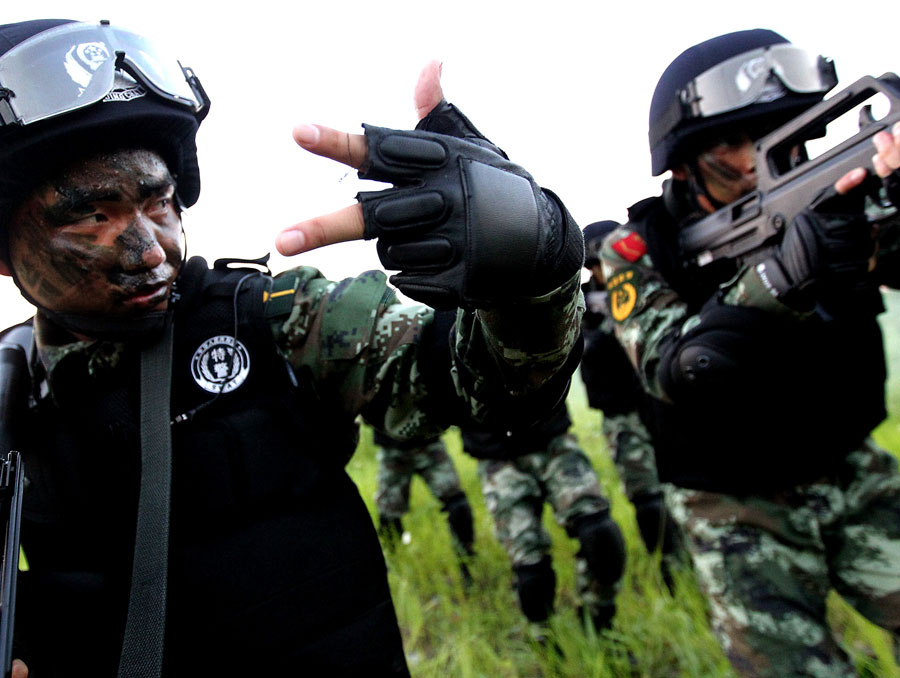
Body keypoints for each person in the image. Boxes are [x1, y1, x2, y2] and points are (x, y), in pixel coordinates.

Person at [0, 18, 585, 678]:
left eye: (158, 204)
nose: (149, 253)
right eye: (92, 217)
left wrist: (529, 274)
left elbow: (484, 385)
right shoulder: (11, 384)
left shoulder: (278, 319)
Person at [599, 29, 900, 677]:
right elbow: (673, 365)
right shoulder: (634, 250)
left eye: (777, 132)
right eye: (734, 142)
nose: (760, 157)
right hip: (733, 504)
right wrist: (780, 277)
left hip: (848, 462)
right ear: (683, 164)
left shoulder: (839, 193)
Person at [461, 404, 625, 635]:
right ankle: (544, 638)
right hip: (497, 455)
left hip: (552, 437)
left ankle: (599, 624)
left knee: (600, 535)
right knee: (531, 569)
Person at [580, 221, 680, 577]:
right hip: (620, 413)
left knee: (683, 484)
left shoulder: (647, 284)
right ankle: (669, 566)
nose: (602, 272)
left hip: (660, 404)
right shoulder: (582, 305)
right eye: (596, 266)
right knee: (646, 497)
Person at [372, 430, 476, 579]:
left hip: (428, 442)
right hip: (392, 448)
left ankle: (466, 563)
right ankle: (390, 568)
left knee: (458, 506)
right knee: (389, 516)